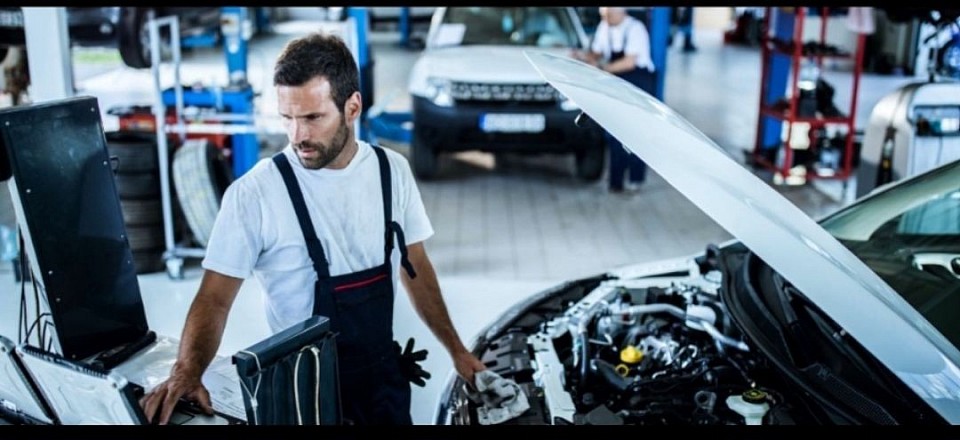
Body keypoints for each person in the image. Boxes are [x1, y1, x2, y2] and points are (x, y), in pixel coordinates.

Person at [139, 32, 486, 425]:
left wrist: (458, 351)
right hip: (302, 399)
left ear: (352, 107)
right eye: (287, 118)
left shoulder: (393, 172)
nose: (298, 135)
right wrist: (188, 370)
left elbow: (415, 264)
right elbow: (214, 298)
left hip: (383, 386)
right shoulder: (255, 194)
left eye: (313, 118)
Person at [572, 7, 656, 193]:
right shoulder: (605, 26)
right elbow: (597, 52)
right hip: (617, 83)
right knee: (616, 131)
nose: (606, 18)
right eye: (604, 15)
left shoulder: (636, 29)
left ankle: (635, 179)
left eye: (609, 15)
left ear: (620, 12)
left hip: (638, 84)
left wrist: (602, 67)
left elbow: (629, 62)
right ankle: (615, 182)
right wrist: (583, 58)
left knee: (636, 133)